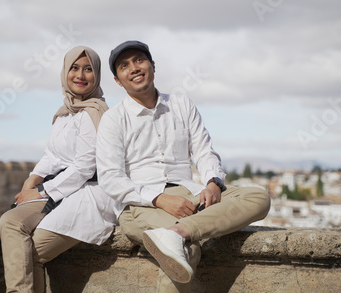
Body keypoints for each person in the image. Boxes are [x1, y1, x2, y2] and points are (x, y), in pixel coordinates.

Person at [96, 40, 271, 292]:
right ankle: (179, 236)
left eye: (139, 60)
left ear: (152, 66)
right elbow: (111, 179)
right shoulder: (113, 119)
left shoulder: (181, 104)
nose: (134, 68)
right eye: (124, 65)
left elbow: (204, 151)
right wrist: (159, 199)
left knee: (258, 196)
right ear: (117, 80)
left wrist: (213, 183)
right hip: (141, 204)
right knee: (185, 250)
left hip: (190, 193)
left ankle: (178, 232)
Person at [0, 45, 118, 292]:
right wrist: (32, 179)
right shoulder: (65, 113)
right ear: (65, 71)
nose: (80, 75)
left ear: (97, 75)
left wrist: (41, 191)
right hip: (63, 189)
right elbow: (52, 154)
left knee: (29, 248)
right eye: (74, 68)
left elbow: (85, 167)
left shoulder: (94, 113)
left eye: (88, 69)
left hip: (88, 194)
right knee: (12, 223)